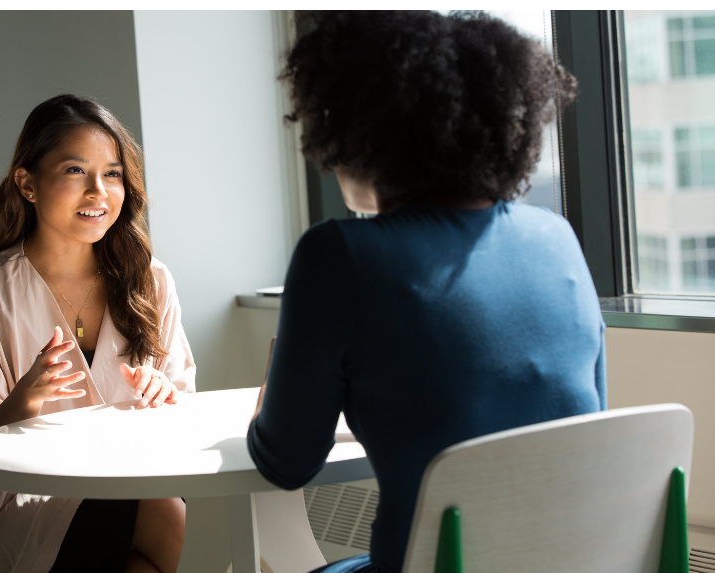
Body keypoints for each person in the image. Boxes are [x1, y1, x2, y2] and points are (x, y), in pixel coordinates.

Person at [247, 11, 604, 573]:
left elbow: (286, 464)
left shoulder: (339, 254)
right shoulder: (557, 239)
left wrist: (274, 398)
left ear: (359, 133)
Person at [0, 94, 195, 573]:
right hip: (20, 502)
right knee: (160, 511)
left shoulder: (150, 280)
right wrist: (24, 399)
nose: (98, 192)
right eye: (74, 171)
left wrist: (164, 393)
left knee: (154, 528)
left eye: (112, 174)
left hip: (129, 479)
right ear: (27, 184)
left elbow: (186, 409)